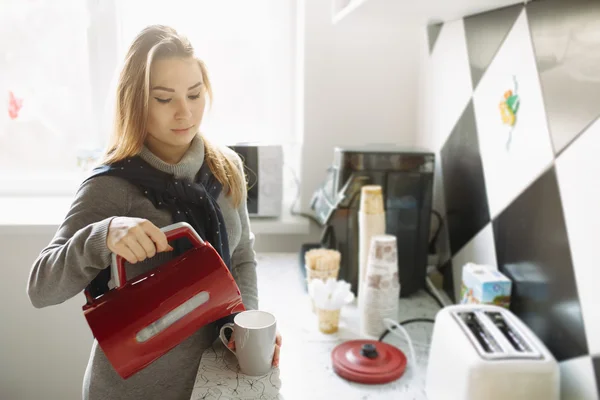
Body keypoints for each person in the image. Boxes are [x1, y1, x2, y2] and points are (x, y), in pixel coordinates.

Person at [26, 24, 281, 400]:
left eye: (195, 94)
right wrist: (104, 235)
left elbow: (242, 258)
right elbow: (40, 288)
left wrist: (245, 329)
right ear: (135, 101)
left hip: (216, 382)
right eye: (164, 99)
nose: (185, 112)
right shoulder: (111, 186)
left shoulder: (226, 168)